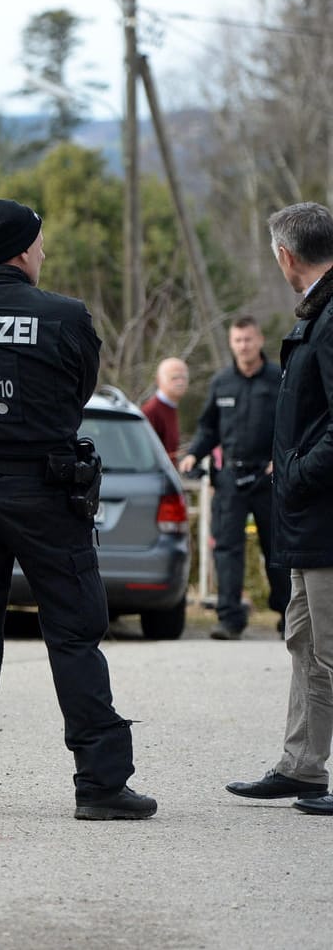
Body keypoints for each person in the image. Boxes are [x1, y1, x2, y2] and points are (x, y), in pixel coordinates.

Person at [0, 198, 156, 821]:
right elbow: (78, 390)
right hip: (45, 493)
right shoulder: (65, 316)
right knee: (74, 634)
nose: (44, 252)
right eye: (41, 243)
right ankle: (102, 785)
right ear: (23, 251)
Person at [227, 201, 333, 814]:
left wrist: (295, 475)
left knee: (331, 645)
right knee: (304, 639)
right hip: (308, 520)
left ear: (285, 257)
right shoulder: (318, 314)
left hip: (324, 515)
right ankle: (302, 766)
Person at [179, 317, 289, 639]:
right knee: (227, 549)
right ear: (231, 343)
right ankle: (229, 619)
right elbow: (208, 427)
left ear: (259, 340)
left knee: (278, 549)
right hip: (229, 478)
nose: (243, 346)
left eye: (249, 340)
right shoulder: (222, 382)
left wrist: (280, 459)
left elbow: (292, 423)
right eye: (238, 340)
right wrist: (193, 454)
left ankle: (287, 616)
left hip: (269, 477)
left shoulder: (278, 378)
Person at [144, 357, 188, 457]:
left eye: (184, 377)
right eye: (174, 378)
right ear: (159, 380)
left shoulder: (171, 407)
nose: (180, 382)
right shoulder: (151, 411)